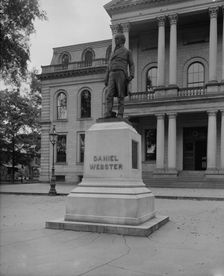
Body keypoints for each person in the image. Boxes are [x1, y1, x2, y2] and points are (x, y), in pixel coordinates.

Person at [104, 33, 135, 118]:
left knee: (120, 95)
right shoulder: (112, 53)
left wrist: (131, 75)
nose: (115, 41)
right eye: (115, 39)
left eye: (117, 39)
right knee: (109, 94)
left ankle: (120, 113)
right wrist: (106, 77)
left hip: (121, 73)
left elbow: (131, 64)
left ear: (122, 40)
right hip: (111, 74)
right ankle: (108, 112)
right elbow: (109, 65)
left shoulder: (127, 51)